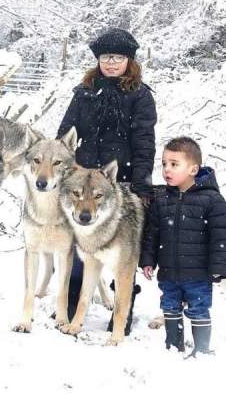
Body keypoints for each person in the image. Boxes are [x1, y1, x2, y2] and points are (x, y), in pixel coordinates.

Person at [56, 28, 157, 330]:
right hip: (83, 183)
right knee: (79, 248)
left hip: (121, 183)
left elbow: (144, 142)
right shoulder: (84, 93)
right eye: (105, 57)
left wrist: (141, 185)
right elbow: (65, 135)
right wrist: (67, 173)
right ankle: (73, 305)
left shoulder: (140, 96)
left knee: (122, 256)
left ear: (129, 60)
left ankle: (121, 315)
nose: (111, 63)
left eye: (117, 57)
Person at [140, 137, 226, 356]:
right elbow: (152, 234)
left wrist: (219, 266)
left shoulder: (212, 200)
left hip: (198, 273)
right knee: (169, 307)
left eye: (174, 164)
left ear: (193, 169)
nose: (166, 169)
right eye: (164, 164)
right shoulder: (162, 200)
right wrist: (148, 260)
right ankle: (173, 348)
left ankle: (202, 350)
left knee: (198, 309)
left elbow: (220, 237)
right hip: (169, 272)